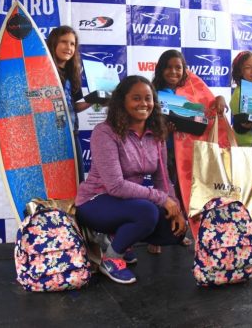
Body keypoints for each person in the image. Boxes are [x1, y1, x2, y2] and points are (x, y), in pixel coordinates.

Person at [75, 75, 186, 284]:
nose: (143, 103)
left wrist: (175, 207)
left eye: (148, 98)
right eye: (136, 98)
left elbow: (162, 180)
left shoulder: (157, 134)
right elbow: (115, 186)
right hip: (95, 201)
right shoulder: (105, 132)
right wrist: (162, 200)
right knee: (147, 211)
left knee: (175, 231)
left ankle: (118, 240)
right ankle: (111, 258)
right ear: (122, 102)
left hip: (126, 203)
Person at [152, 49, 229, 242]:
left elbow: (208, 108)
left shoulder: (193, 89)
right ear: (160, 69)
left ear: (185, 70)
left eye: (178, 68)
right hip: (166, 151)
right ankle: (158, 238)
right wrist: (165, 131)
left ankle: (180, 231)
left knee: (183, 191)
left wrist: (219, 98)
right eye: (168, 67)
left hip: (189, 153)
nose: (173, 72)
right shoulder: (152, 92)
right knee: (165, 192)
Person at [47, 26, 91, 182]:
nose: (69, 47)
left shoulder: (73, 74)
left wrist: (93, 100)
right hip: (48, 137)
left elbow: (72, 107)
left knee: (76, 182)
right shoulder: (42, 70)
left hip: (72, 135)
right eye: (64, 42)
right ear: (53, 44)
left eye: (72, 44)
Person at [229, 51, 252, 186]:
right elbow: (241, 125)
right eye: (247, 67)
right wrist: (246, 124)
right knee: (248, 191)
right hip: (247, 149)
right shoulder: (239, 92)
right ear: (240, 72)